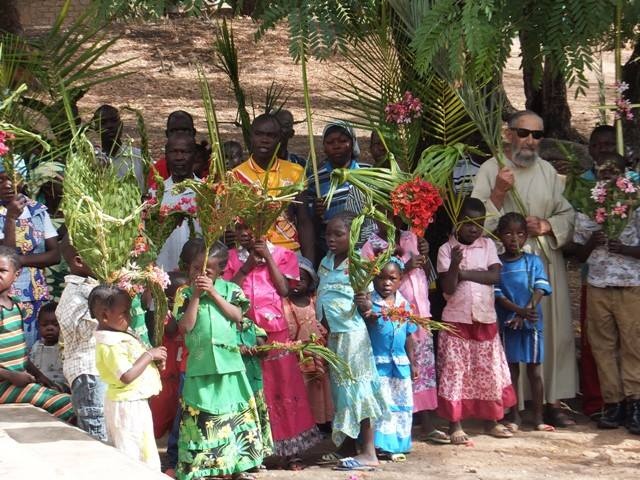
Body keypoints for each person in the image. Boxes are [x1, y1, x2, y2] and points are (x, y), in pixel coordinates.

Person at [471, 110, 577, 427]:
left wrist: (547, 225)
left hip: (543, 263)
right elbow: (474, 219)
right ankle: (509, 402)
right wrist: (500, 192)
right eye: (523, 133)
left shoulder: (547, 172)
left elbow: (568, 215)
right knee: (510, 332)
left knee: (552, 331)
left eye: (537, 135)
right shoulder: (492, 170)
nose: (530, 140)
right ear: (508, 134)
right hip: (506, 266)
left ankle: (552, 400)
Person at [224, 222, 320, 469]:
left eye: (249, 227)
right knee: (252, 392)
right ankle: (253, 451)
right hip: (243, 334)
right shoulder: (231, 258)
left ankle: (291, 451)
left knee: (283, 388)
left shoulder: (283, 254)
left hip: (275, 333)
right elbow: (228, 291)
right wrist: (246, 267)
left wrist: (267, 257)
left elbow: (284, 289)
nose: (245, 233)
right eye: (239, 228)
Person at [174, 242, 264, 480]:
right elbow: (186, 326)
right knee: (203, 417)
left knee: (232, 415)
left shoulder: (231, 290)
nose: (200, 275)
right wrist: (195, 295)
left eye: (208, 271)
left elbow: (236, 316)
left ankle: (237, 467)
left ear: (221, 270)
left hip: (230, 365)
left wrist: (213, 293)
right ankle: (204, 468)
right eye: (195, 269)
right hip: (200, 367)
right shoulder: (183, 294)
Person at [436, 198, 516, 444]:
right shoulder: (446, 250)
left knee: (486, 371)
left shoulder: (488, 245)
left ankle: (491, 420)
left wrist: (464, 274)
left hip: (484, 317)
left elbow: (494, 276)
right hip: (456, 319)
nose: (474, 228)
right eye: (469, 223)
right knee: (456, 372)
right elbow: (447, 287)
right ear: (457, 222)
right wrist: (455, 266)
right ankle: (455, 424)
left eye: (479, 223)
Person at [573, 152, 640, 435]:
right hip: (598, 284)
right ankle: (612, 403)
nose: (608, 176)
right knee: (602, 346)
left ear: (625, 175)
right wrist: (591, 242)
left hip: (630, 284)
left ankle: (635, 402)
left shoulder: (636, 204)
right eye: (603, 172)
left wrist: (623, 249)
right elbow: (576, 252)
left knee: (633, 344)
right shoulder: (586, 206)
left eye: (614, 172)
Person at [361, 218, 444, 443]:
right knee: (394, 373)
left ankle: (425, 422)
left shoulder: (411, 237)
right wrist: (405, 267)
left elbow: (426, 272)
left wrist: (425, 257)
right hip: (390, 313)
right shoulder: (371, 244)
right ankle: (388, 431)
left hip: (419, 310)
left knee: (421, 368)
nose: (391, 217)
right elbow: (369, 279)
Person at [316, 213, 387, 471]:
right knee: (341, 393)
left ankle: (368, 452)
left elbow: (368, 299)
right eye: (328, 235)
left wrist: (367, 305)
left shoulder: (358, 264)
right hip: (334, 337)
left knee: (359, 389)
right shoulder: (326, 261)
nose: (331, 240)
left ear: (352, 235)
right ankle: (346, 447)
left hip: (352, 337)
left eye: (338, 234)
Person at [92, 284, 165, 469]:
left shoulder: (118, 336)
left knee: (143, 450)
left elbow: (133, 364)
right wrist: (149, 356)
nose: (130, 317)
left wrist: (152, 362)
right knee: (131, 455)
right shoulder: (110, 344)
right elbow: (125, 375)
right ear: (105, 315)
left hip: (133, 402)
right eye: (125, 312)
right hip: (127, 407)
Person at [495, 212, 554, 432]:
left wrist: (525, 312)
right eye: (508, 233)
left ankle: (538, 416)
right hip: (508, 323)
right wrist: (518, 312)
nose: (514, 239)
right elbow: (498, 295)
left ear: (526, 237)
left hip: (531, 324)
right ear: (500, 235)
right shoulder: (497, 264)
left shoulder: (532, 261)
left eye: (520, 234)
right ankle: (514, 415)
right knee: (511, 371)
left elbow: (540, 287)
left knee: (534, 371)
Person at [0, 246, 74, 421]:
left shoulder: (16, 306)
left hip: (16, 381)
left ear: (16, 275)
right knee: (69, 405)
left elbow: (22, 355)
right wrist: (10, 375)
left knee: (59, 394)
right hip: (5, 385)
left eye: (2, 270)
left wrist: (41, 377)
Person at [356, 259, 417, 461]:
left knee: (400, 404)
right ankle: (379, 444)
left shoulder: (404, 304)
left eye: (392, 278)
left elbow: (409, 335)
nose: (386, 283)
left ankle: (398, 443)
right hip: (377, 362)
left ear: (400, 281)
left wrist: (413, 362)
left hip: (400, 364)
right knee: (381, 403)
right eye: (381, 278)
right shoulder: (369, 302)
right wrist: (368, 316)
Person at [232, 114, 313, 256]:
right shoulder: (235, 176)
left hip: (289, 252)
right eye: (259, 134)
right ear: (250, 137)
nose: (264, 140)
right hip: (251, 254)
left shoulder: (295, 172)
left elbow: (304, 221)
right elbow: (231, 224)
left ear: (280, 139)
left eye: (271, 135)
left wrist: (309, 264)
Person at [0, 171, 60, 350]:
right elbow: (5, 256)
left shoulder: (37, 210)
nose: (8, 184)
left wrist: (20, 260)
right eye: (0, 180)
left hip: (37, 295)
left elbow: (54, 255)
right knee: (13, 347)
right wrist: (11, 218)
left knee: (38, 349)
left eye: (11, 178)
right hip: (7, 297)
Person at [56, 235, 106, 440]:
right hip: (88, 371)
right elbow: (87, 330)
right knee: (95, 427)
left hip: (96, 369)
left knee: (101, 421)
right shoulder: (75, 294)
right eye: (100, 254)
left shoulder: (89, 287)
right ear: (79, 261)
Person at [306, 121, 374, 262]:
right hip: (331, 251)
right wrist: (317, 213)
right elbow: (310, 222)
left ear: (353, 142)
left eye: (343, 141)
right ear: (324, 147)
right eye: (330, 142)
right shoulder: (316, 180)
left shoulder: (368, 172)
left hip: (368, 247)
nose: (336, 146)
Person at [282, 255, 334, 426]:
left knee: (321, 388)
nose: (297, 283)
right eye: (292, 279)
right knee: (303, 389)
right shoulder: (284, 304)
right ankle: (306, 422)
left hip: (319, 355)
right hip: (298, 357)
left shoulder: (315, 301)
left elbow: (323, 325)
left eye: (302, 279)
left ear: (311, 280)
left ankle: (323, 420)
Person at [152, 134, 201, 272]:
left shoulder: (207, 193)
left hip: (197, 276)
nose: (179, 157)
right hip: (162, 273)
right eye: (174, 152)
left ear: (194, 155)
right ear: (166, 156)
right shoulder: (155, 194)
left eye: (185, 152)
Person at [237, 316, 274, 459]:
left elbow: (264, 350)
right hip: (236, 380)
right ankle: (244, 457)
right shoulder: (224, 326)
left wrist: (257, 348)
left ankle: (259, 455)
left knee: (258, 416)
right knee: (241, 418)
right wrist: (237, 349)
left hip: (253, 379)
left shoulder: (251, 326)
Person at [92, 105, 146, 192]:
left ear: (121, 125)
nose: (109, 126)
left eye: (114, 121)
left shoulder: (139, 157)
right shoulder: (93, 161)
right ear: (96, 128)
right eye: (103, 122)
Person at [28, 301, 68, 392]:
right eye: (45, 325)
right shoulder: (36, 346)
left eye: (55, 324)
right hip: (39, 385)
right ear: (38, 326)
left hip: (60, 387)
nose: (50, 328)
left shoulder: (65, 348)